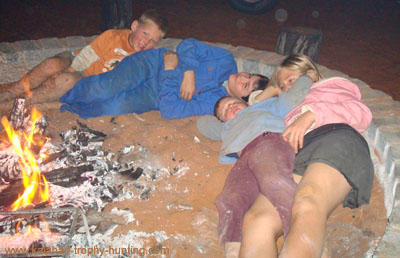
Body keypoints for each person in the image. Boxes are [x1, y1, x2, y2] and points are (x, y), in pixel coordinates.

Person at [198, 54, 373, 258]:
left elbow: (361, 113)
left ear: (311, 75)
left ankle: (319, 249)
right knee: (255, 221)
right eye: (283, 85)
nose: (288, 88)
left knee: (306, 200)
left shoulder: (327, 87)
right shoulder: (281, 107)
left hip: (333, 137)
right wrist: (273, 90)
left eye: (292, 81)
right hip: (297, 153)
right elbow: (254, 107)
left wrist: (311, 115)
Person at [59, 38, 269, 119]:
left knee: (109, 108)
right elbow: (188, 45)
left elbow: (172, 110)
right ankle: (62, 91)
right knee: (107, 88)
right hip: (151, 64)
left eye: (246, 85)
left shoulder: (216, 103)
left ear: (242, 100)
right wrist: (188, 73)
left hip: (153, 95)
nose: (243, 76)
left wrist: (170, 72)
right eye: (249, 75)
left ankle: (65, 106)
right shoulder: (225, 60)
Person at [0, 9, 168, 108]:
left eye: (153, 40)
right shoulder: (113, 36)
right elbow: (87, 55)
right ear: (134, 26)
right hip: (78, 61)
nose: (146, 42)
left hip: (87, 79)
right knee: (51, 65)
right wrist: (65, 70)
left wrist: (65, 76)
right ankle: (9, 93)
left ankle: (16, 103)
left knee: (65, 81)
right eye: (145, 34)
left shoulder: (144, 58)